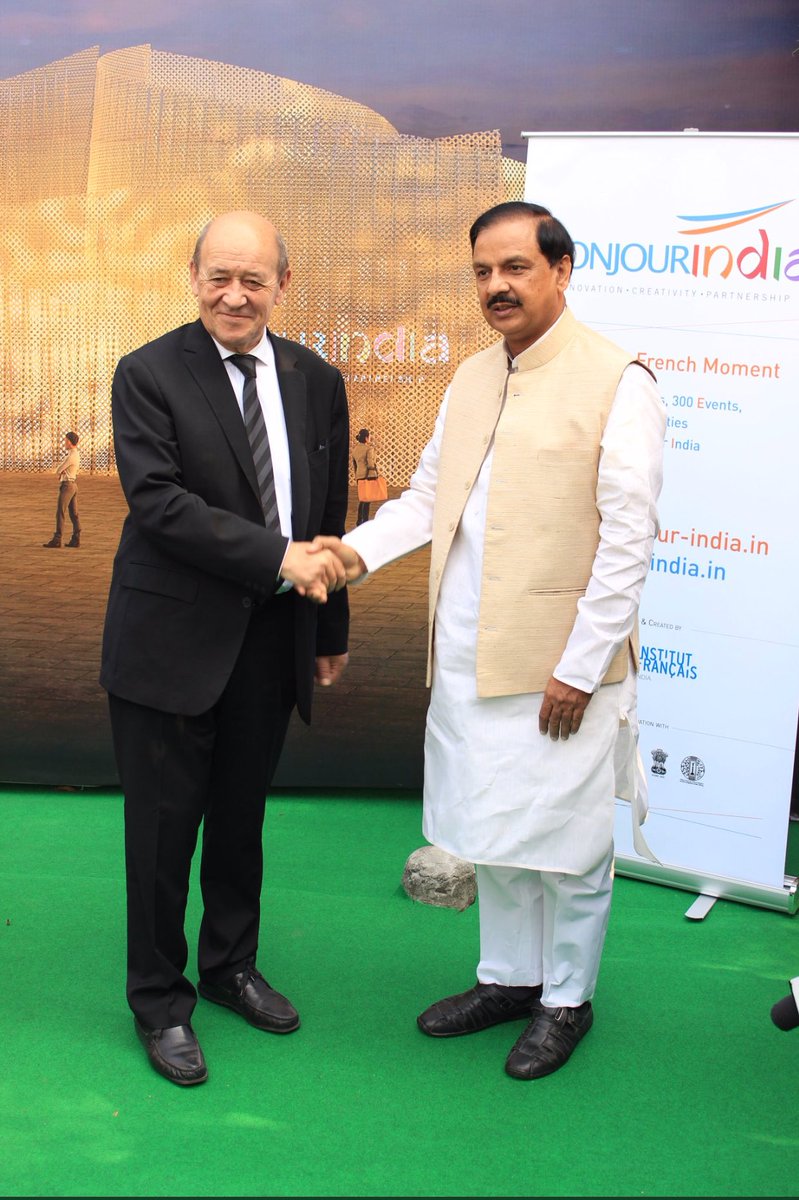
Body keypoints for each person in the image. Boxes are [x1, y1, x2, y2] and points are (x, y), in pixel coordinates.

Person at [316, 201, 665, 1080]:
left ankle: (566, 999)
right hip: (471, 658)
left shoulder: (617, 380)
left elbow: (627, 543)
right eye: (482, 271)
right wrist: (352, 553)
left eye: (514, 267)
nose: (496, 286)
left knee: (569, 845)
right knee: (495, 829)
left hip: (562, 670)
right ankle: (509, 979)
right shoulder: (472, 376)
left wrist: (579, 667)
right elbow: (427, 499)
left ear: (560, 269)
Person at [99, 210, 351, 1087]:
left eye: (253, 279)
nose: (234, 295)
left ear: (283, 283)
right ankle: (159, 1002)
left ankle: (230, 966)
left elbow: (326, 514)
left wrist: (327, 628)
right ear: (193, 276)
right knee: (162, 834)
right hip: (169, 645)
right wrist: (278, 557)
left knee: (241, 823)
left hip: (273, 641)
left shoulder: (317, 379)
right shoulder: (148, 373)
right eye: (219, 277)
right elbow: (159, 503)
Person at [43, 431, 81, 548]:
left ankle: (57, 538)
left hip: (67, 486)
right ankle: (76, 537)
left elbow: (58, 469)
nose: (64, 442)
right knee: (73, 513)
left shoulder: (71, 456)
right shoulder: (76, 454)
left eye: (66, 440)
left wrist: (62, 470)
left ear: (70, 442)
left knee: (60, 512)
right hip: (73, 484)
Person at [352, 427, 379, 526]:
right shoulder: (368, 449)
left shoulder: (355, 450)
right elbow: (370, 464)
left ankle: (359, 520)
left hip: (359, 476)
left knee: (362, 499)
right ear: (366, 438)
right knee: (367, 500)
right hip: (368, 476)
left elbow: (355, 465)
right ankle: (365, 521)